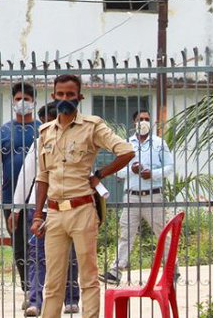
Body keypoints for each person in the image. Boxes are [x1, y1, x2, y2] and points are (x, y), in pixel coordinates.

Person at [30, 75, 134, 318]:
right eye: (61, 94)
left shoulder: (92, 126)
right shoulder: (46, 131)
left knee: (88, 278)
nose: (65, 99)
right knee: (53, 282)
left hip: (82, 210)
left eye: (70, 94)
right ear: (54, 96)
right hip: (54, 214)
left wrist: (99, 174)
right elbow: (42, 176)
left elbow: (126, 152)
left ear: (79, 97)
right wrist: (37, 216)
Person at [12, 102, 79, 316]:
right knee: (37, 254)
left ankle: (70, 298)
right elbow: (27, 174)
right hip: (41, 207)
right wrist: (16, 209)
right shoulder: (40, 142)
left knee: (70, 254)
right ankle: (35, 300)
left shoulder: (77, 141)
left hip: (70, 205)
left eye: (46, 122)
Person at [101, 108, 174, 285]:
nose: (144, 122)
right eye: (140, 119)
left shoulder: (159, 144)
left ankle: (173, 269)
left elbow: (170, 167)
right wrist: (131, 171)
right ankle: (115, 272)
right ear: (134, 123)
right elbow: (117, 172)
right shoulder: (126, 144)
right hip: (131, 197)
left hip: (153, 196)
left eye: (147, 119)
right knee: (126, 234)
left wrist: (153, 174)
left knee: (162, 233)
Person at [0, 82, 40, 300]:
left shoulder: (42, 129)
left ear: (34, 102)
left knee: (38, 246)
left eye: (26, 99)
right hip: (10, 199)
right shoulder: (3, 131)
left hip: (39, 198)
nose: (22, 103)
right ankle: (28, 290)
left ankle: (41, 290)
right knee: (19, 247)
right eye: (18, 99)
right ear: (12, 101)